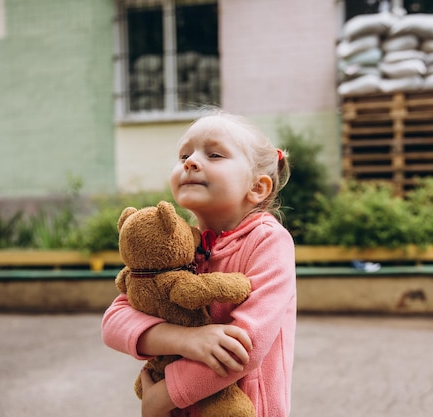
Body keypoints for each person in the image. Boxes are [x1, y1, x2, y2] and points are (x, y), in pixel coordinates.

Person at [101, 105, 296, 417]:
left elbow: (246, 347)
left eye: (214, 155)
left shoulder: (269, 242)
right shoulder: (173, 243)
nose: (191, 162)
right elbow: (113, 322)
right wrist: (186, 339)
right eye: (184, 156)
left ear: (257, 187)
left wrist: (163, 397)